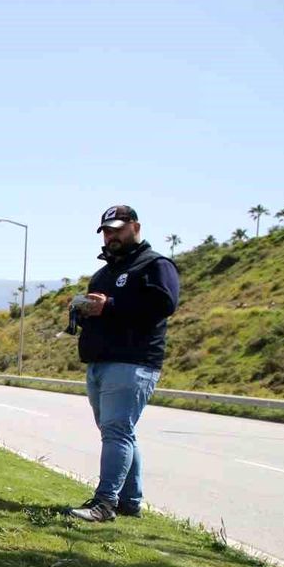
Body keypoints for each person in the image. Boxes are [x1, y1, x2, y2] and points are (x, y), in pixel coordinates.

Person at [68, 205, 180, 522]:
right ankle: (130, 502)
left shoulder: (154, 265)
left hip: (133, 361)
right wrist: (83, 310)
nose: (111, 236)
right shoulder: (103, 273)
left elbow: (164, 304)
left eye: (117, 229)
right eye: (106, 231)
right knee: (119, 432)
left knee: (117, 431)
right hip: (99, 362)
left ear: (135, 227)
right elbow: (103, 313)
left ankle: (105, 503)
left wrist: (111, 305)